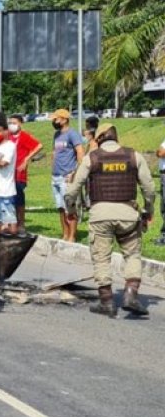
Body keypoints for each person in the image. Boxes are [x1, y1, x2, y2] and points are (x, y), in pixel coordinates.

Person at [65, 124, 155, 317]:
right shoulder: (134, 156)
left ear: (99, 139)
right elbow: (149, 188)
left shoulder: (91, 158)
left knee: (101, 257)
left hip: (100, 216)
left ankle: (106, 301)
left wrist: (70, 209)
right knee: (132, 255)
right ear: (116, 136)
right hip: (128, 215)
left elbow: (74, 188)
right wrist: (148, 210)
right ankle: (130, 294)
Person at [50, 108, 86, 242]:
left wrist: (75, 173)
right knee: (60, 208)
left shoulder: (73, 134)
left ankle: (72, 236)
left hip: (67, 177)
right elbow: (54, 152)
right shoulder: (57, 135)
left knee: (69, 208)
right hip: (56, 176)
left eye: (56, 119)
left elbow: (80, 153)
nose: (54, 121)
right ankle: (65, 234)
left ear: (64, 119)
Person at [7, 115, 42, 234]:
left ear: (20, 124)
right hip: (8, 172)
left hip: (19, 172)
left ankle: (21, 223)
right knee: (9, 199)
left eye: (14, 123)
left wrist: (27, 159)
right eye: (10, 122)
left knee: (19, 198)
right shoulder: (7, 136)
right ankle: (11, 223)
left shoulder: (24, 136)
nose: (11, 125)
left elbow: (39, 146)